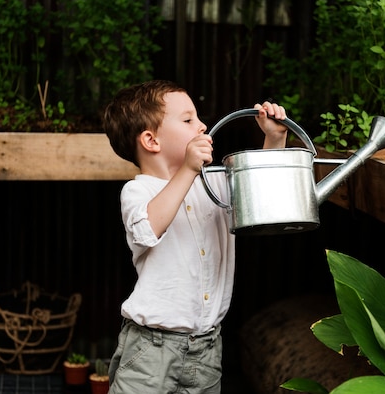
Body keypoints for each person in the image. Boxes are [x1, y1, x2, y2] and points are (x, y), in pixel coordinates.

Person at [102, 79, 288, 394]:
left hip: (207, 348)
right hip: (152, 349)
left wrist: (274, 138)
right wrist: (188, 169)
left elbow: (262, 198)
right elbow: (148, 230)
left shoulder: (214, 184)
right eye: (188, 120)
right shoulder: (138, 191)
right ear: (151, 140)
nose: (202, 126)